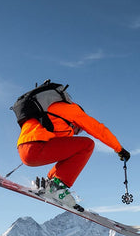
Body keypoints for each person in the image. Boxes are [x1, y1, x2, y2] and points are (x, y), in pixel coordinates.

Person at [15, 82, 130, 210]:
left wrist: (50, 177)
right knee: (87, 144)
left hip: (25, 149)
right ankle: (57, 188)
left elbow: (63, 155)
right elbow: (97, 129)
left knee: (71, 151)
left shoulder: (50, 113)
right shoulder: (71, 110)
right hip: (36, 148)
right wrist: (119, 148)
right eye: (79, 129)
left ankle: (50, 184)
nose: (77, 132)